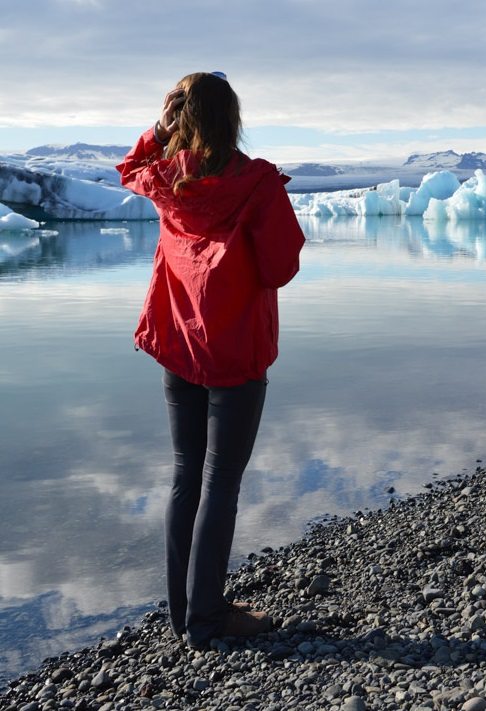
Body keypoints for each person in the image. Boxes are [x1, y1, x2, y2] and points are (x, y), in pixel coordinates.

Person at [116, 72, 305, 649]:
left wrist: (157, 128)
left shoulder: (166, 179)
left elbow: (127, 169)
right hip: (238, 351)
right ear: (233, 119)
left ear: (180, 117)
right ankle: (206, 619)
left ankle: (186, 615)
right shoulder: (258, 183)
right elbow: (280, 267)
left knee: (184, 477)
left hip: (179, 345)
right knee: (221, 481)